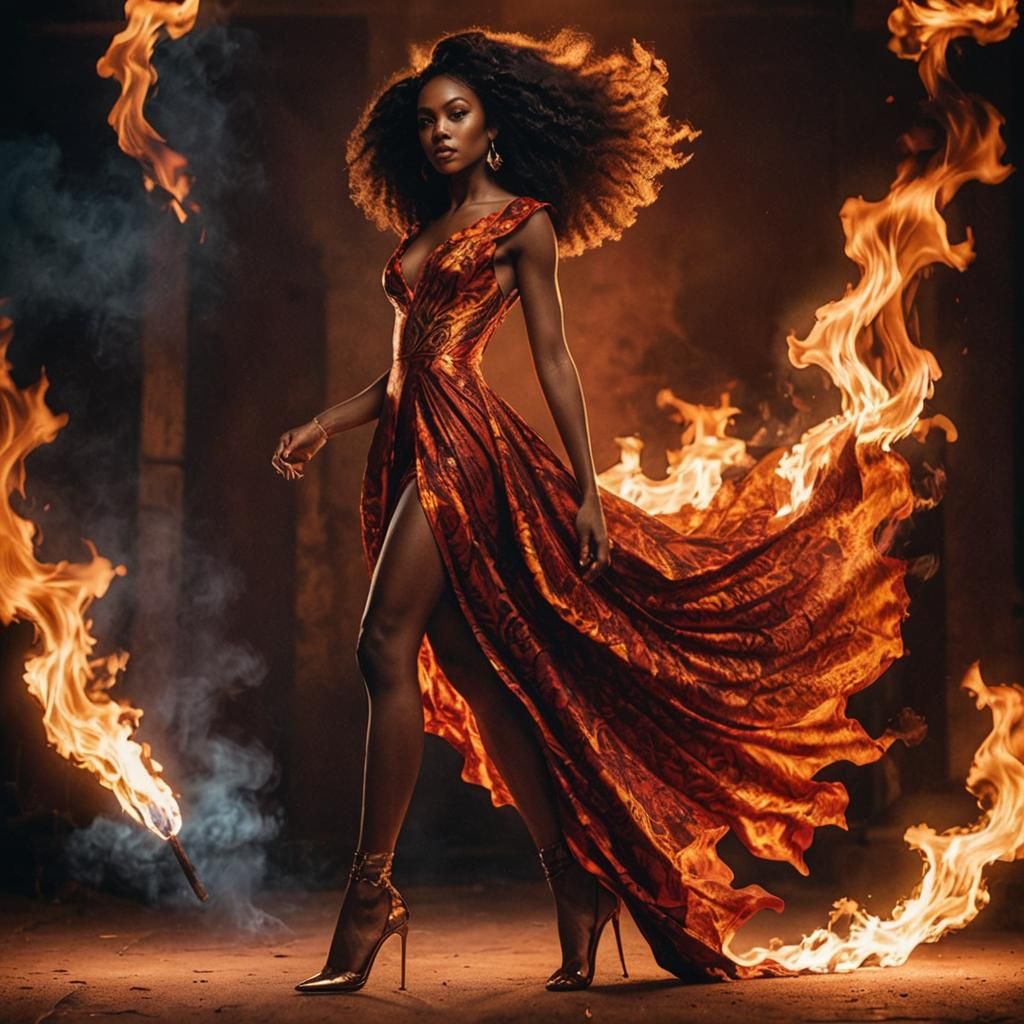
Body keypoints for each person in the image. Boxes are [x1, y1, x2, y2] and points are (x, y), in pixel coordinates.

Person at [271, 28, 915, 993]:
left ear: (494, 126)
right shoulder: (421, 234)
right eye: (427, 119)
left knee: (379, 647)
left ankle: (370, 895)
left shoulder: (523, 222)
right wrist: (325, 423)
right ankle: (574, 883)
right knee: (483, 684)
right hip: (411, 437)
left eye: (458, 114)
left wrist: (585, 493)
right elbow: (404, 372)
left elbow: (555, 359)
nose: (441, 131)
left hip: (466, 456)